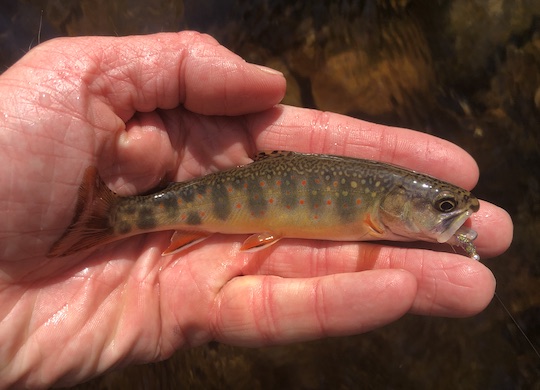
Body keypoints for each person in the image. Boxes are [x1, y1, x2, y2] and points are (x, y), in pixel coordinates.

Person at [0, 31, 512, 388]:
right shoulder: (371, 204)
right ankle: (114, 217)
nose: (452, 215)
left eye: (447, 207)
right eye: (445, 206)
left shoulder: (378, 196)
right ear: (397, 203)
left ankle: (116, 217)